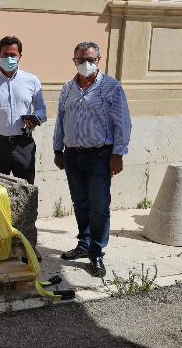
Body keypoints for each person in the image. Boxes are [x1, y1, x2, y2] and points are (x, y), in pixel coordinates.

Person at [53, 42, 131, 278]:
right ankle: (84, 243)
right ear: (74, 61)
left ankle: (97, 251)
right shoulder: (67, 88)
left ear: (99, 60)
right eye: (80, 60)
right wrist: (58, 149)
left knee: (99, 206)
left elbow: (123, 123)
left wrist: (118, 154)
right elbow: (60, 120)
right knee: (80, 203)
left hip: (100, 157)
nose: (85, 64)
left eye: (90, 60)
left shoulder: (111, 87)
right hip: (73, 156)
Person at [0, 36, 47, 184]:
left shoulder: (31, 80)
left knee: (26, 189)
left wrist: (36, 118)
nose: (9, 58)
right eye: (5, 55)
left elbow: (41, 109)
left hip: (24, 144)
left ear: (20, 56)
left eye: (13, 55)